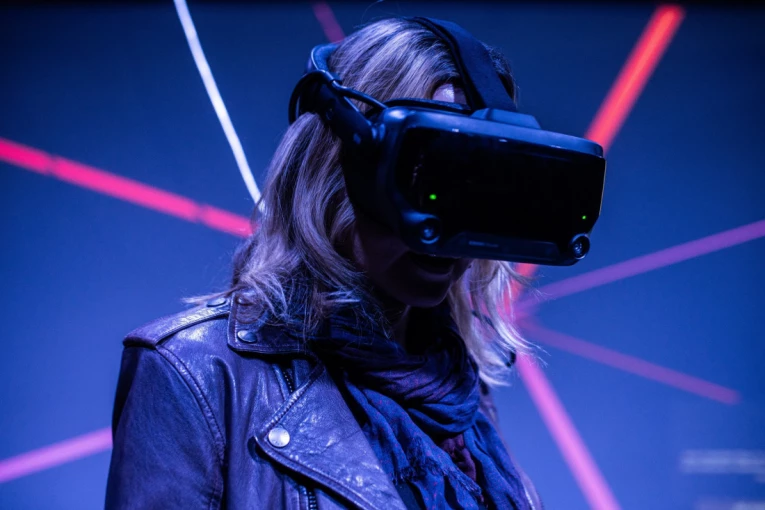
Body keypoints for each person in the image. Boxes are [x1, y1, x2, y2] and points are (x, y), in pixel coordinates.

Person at [105, 16, 543, 510]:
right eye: (426, 177)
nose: (448, 226)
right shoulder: (195, 375)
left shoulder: (459, 394)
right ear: (335, 166)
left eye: (478, 189)